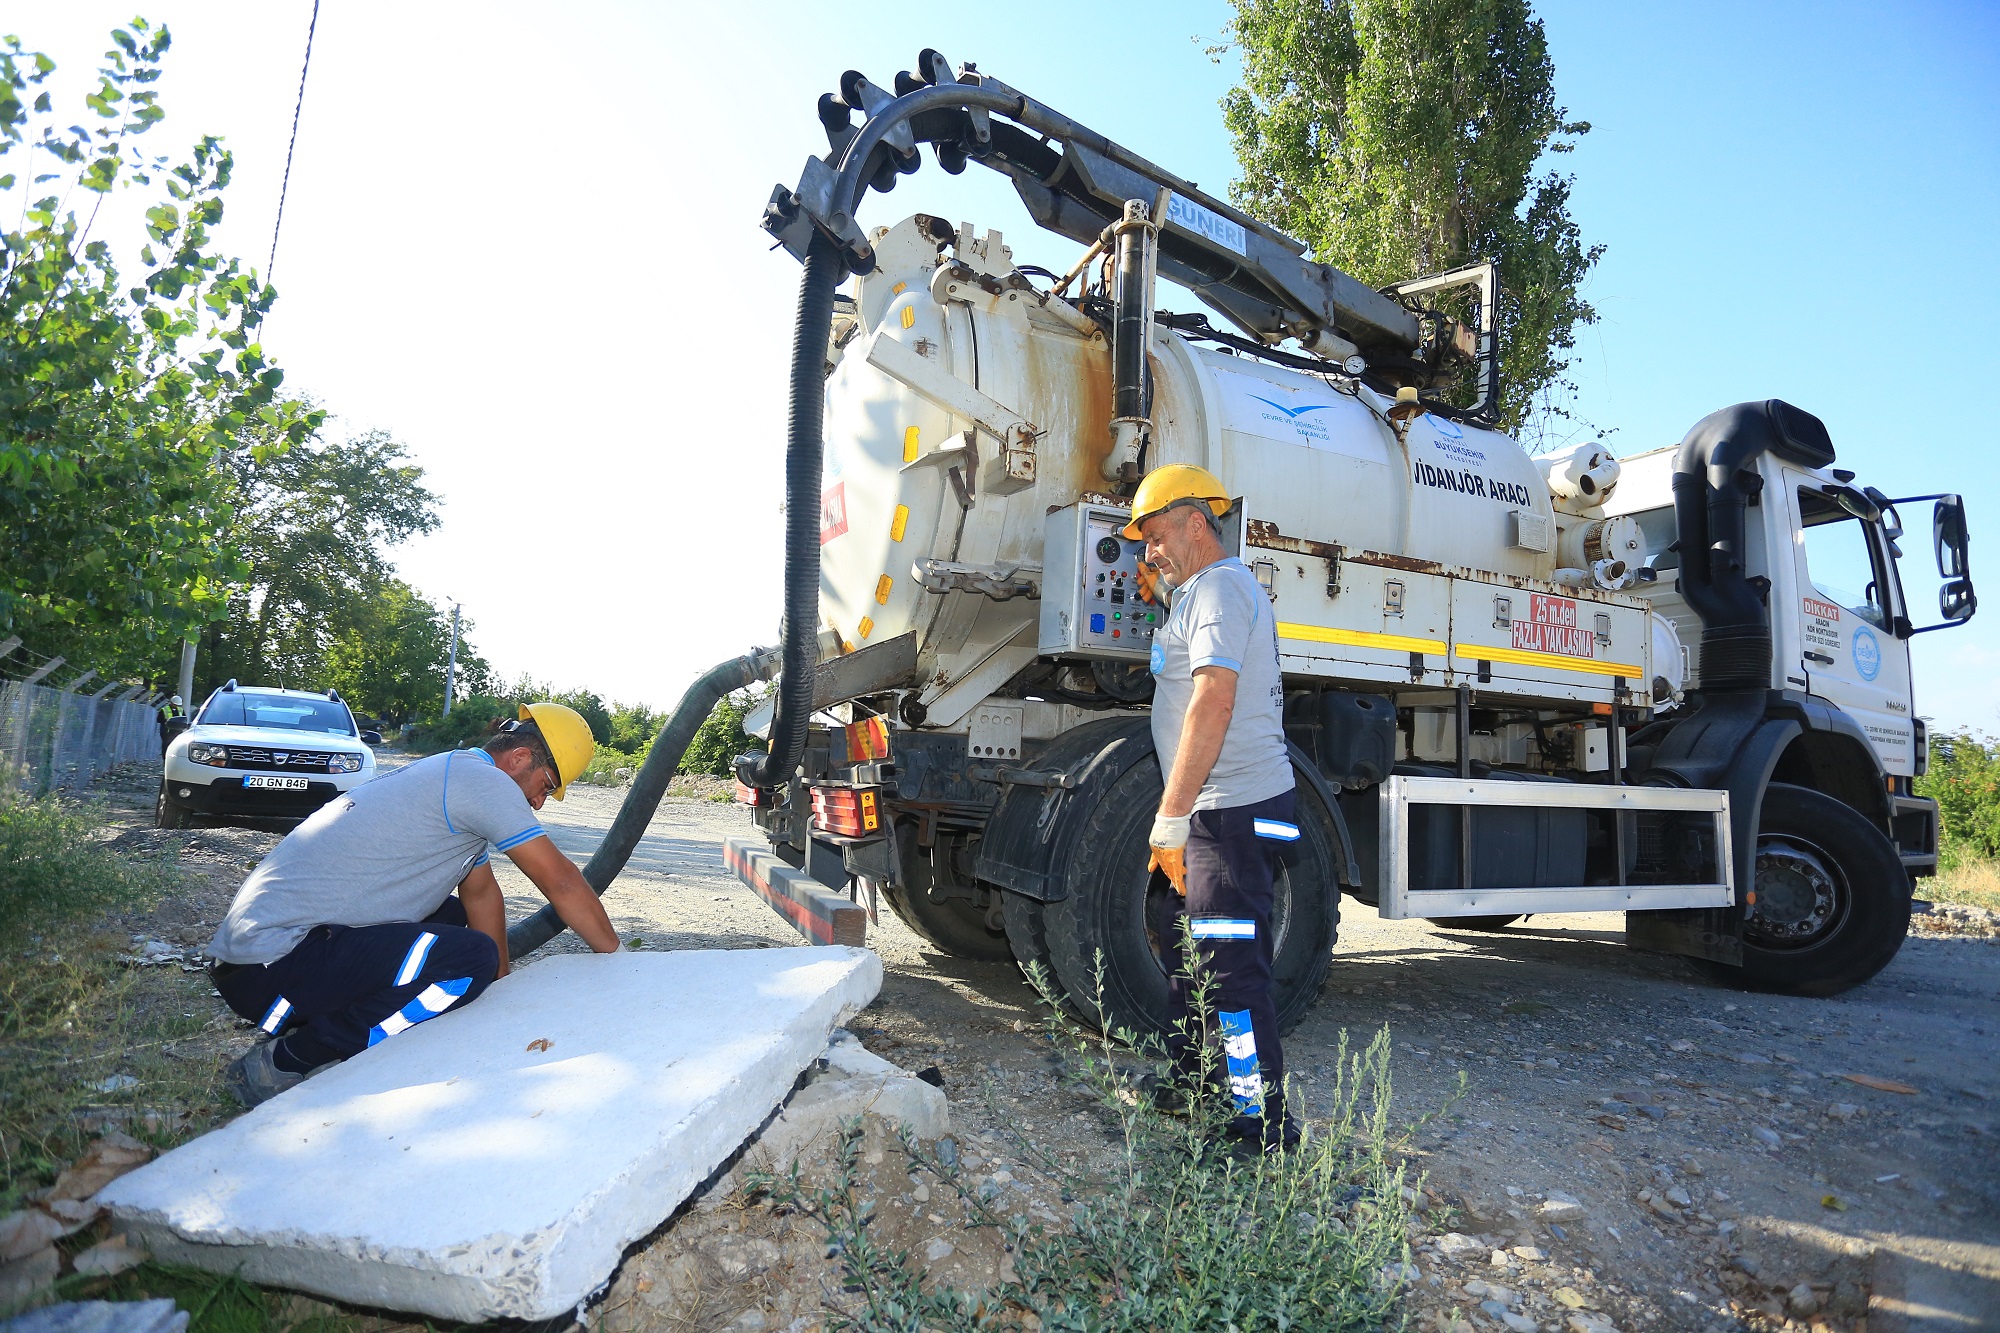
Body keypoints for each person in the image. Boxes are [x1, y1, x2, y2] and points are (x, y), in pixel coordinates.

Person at [206, 702, 622, 1106]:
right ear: (519, 757)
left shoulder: (453, 773)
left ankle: (315, 1023)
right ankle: (291, 1059)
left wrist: (498, 994)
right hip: (270, 971)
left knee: (456, 922)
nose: (539, 802)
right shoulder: (483, 783)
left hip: (261, 961)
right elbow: (563, 882)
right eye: (546, 785)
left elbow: (480, 895)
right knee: (468, 958)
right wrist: (623, 964)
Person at [1125, 464, 1300, 1152]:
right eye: (1142, 544)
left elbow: (1213, 701)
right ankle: (1196, 1079)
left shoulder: (1222, 588)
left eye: (1158, 536)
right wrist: (1165, 601)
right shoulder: (1197, 593)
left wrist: (1171, 815)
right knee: (1182, 942)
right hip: (1214, 811)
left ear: (1197, 523)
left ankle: (1262, 1122)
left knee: (1230, 969)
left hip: (1233, 811)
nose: (1150, 553)